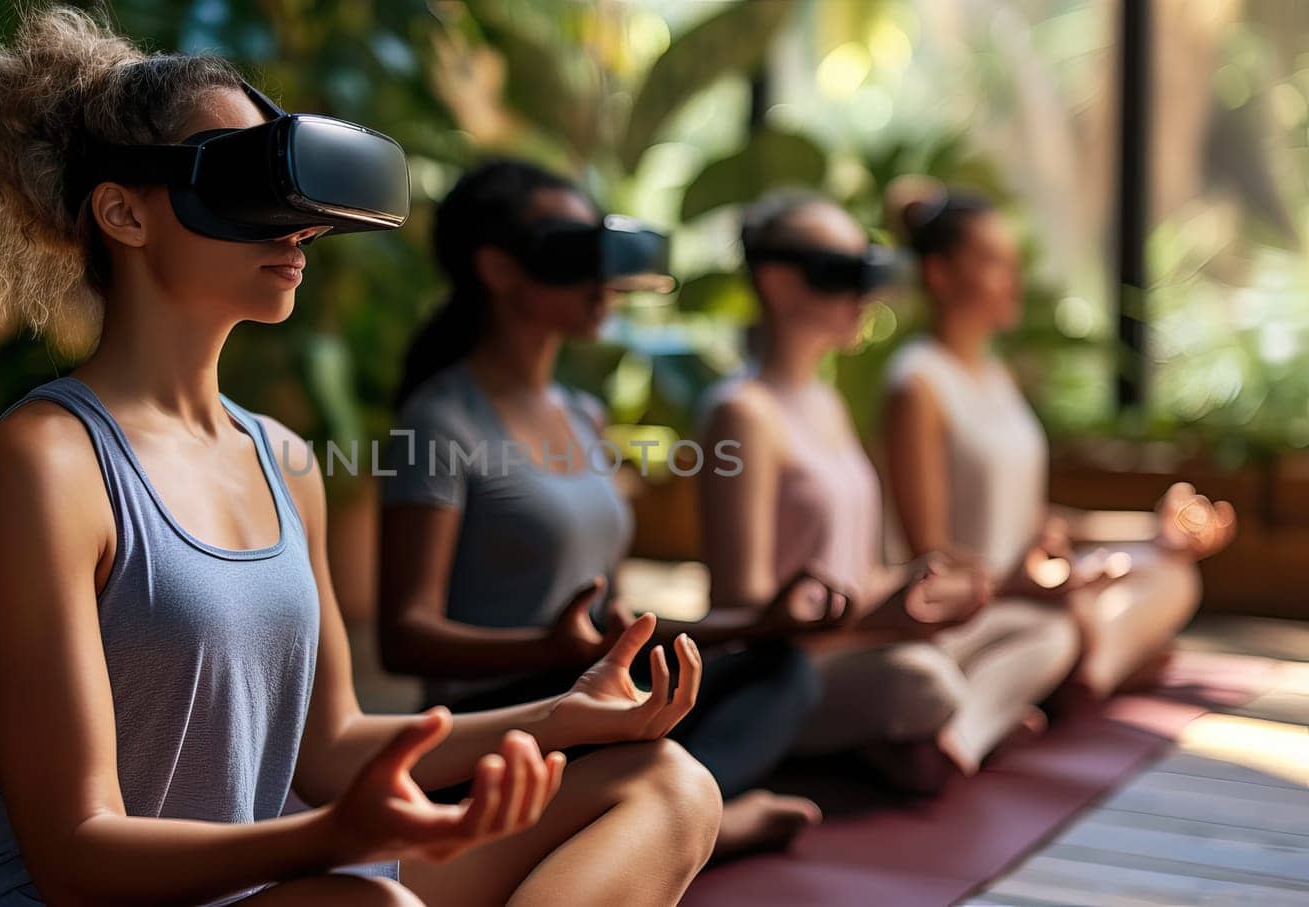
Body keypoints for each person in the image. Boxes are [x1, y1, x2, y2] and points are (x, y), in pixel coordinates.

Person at [0, 10, 720, 906]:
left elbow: (331, 747)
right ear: (123, 211)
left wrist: (562, 715)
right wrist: (334, 837)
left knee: (665, 781)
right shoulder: (45, 464)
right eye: (247, 182)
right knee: (371, 902)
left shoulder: (281, 459)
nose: (299, 226)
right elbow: (78, 856)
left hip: (267, 885)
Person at [379, 160, 845, 862]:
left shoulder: (584, 416)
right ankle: (682, 821)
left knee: (779, 669)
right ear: (498, 269)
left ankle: (653, 820)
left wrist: (760, 621)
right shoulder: (439, 420)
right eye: (573, 254)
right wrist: (552, 650)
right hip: (497, 719)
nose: (602, 280)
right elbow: (402, 636)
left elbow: (614, 626)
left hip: (586, 689)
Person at [697, 190, 1082, 795]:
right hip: (790, 670)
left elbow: (859, 569)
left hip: (864, 640)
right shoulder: (741, 414)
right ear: (777, 283)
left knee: (1047, 630)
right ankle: (929, 736)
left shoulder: (825, 404)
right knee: (925, 681)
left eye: (868, 274)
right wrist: (881, 617)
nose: (865, 294)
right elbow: (739, 608)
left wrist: (929, 594)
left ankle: (920, 741)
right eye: (843, 276)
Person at [879, 178, 1237, 699]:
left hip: (1034, 587)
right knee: (1065, 623)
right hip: (977, 609)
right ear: (939, 274)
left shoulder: (996, 377)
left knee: (1174, 573)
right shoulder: (917, 385)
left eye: (1013, 261)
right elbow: (928, 559)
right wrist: (1027, 585)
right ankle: (1090, 667)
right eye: (994, 263)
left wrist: (1153, 533)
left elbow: (1034, 518)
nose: (1014, 280)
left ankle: (1087, 667)